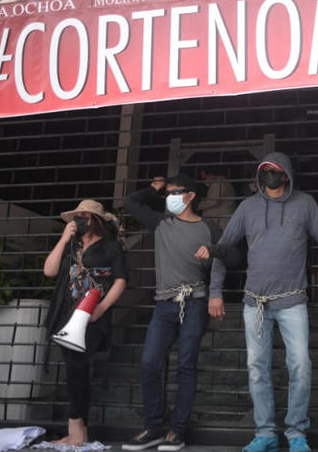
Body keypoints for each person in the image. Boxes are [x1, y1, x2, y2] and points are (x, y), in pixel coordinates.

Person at [195, 152, 318, 452]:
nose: (269, 174)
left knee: (300, 366)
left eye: (275, 170)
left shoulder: (305, 204)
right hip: (255, 304)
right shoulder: (247, 208)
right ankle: (266, 433)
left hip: (292, 302)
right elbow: (222, 249)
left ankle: (296, 433)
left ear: (286, 175)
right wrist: (215, 291)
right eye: (264, 170)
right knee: (257, 368)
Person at [122, 174, 223, 452]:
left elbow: (228, 259)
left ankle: (176, 431)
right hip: (164, 305)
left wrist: (216, 289)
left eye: (175, 193)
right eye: (168, 194)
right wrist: (153, 189)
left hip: (195, 302)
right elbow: (130, 203)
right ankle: (153, 427)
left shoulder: (210, 229)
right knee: (149, 363)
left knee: (186, 365)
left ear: (190, 196)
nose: (170, 198)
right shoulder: (161, 224)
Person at [43, 199, 127, 446]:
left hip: (92, 316)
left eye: (84, 216)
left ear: (96, 220)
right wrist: (63, 239)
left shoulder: (110, 247)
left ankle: (75, 430)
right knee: (75, 371)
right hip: (66, 315)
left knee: (76, 367)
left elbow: (121, 280)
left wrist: (101, 308)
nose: (78, 220)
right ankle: (78, 431)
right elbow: (49, 270)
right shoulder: (71, 246)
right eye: (76, 216)